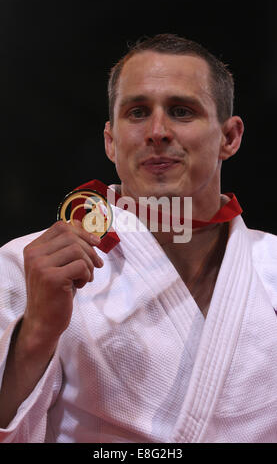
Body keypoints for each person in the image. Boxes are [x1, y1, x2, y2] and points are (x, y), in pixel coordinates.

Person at [0, 33, 277, 443]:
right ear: (111, 140)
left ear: (230, 137)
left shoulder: (272, 264)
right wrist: (37, 331)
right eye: (137, 112)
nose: (158, 131)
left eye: (182, 111)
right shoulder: (30, 263)